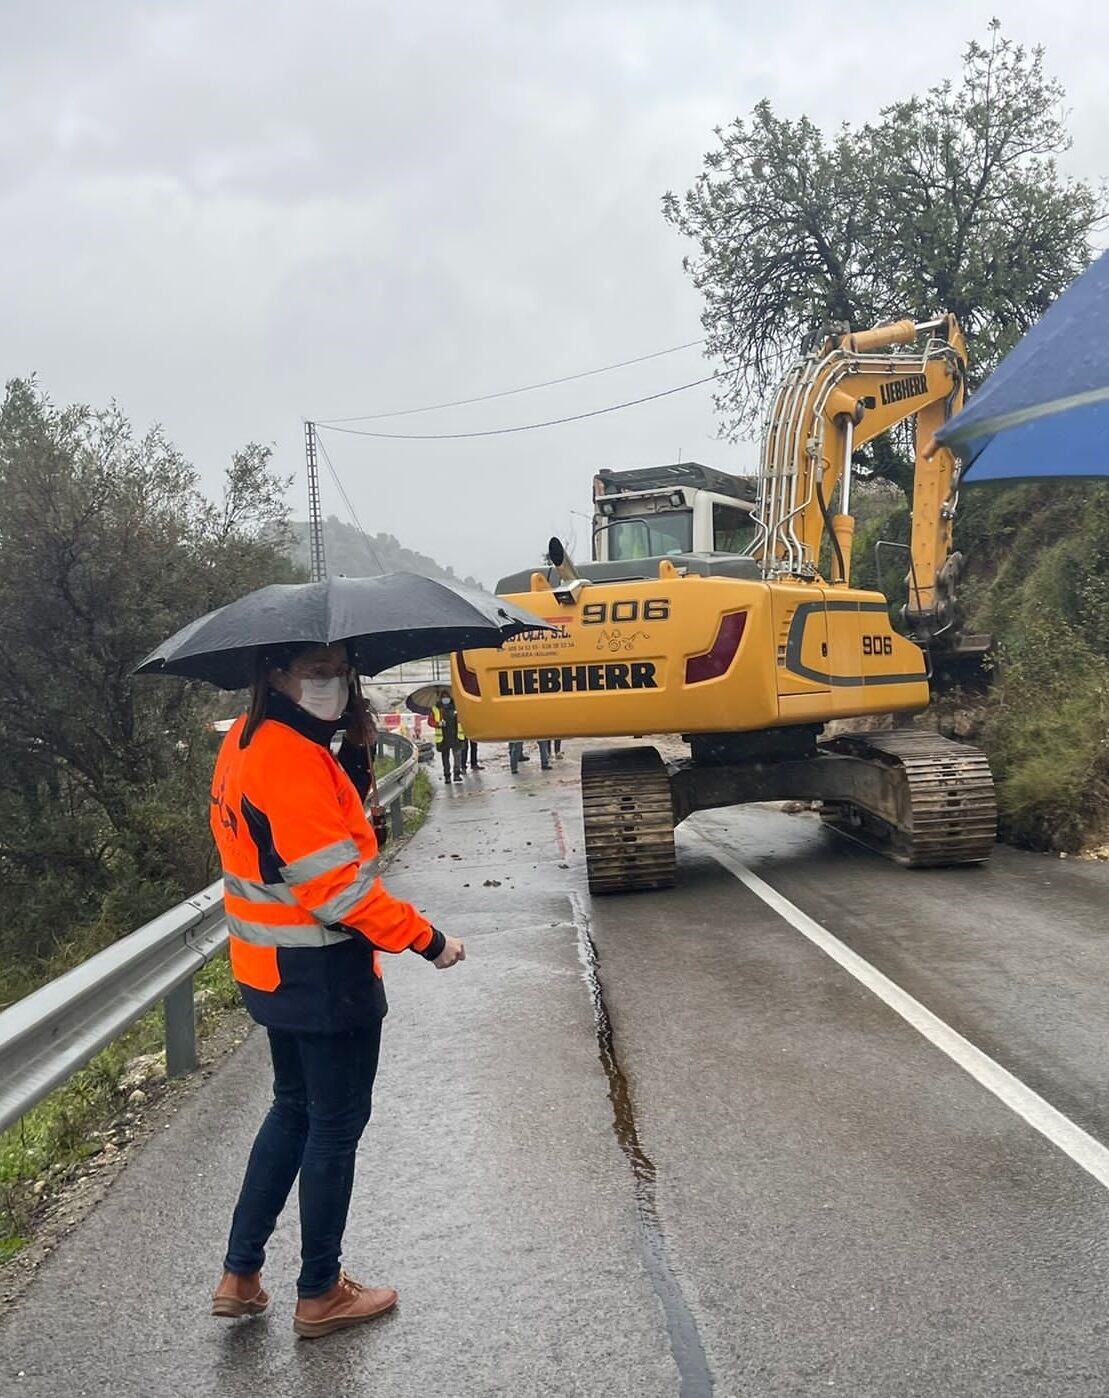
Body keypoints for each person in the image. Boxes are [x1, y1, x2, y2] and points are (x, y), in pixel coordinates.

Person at [208, 641, 465, 1339]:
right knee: (334, 1126)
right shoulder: (289, 759)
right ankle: (320, 1291)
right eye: (314, 671)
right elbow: (336, 890)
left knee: (292, 1110)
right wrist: (428, 939)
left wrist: (347, 752)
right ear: (275, 674)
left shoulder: (246, 741)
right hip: (322, 973)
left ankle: (241, 1273)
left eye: (338, 671)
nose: (329, 684)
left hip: (268, 967)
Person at [430, 693, 464, 782]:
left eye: (447, 697)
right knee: (445, 758)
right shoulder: (436, 709)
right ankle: (447, 776)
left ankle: (457, 774)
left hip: (456, 736)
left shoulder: (457, 707)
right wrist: (438, 724)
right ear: (440, 699)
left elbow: (464, 718)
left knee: (457, 757)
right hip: (443, 738)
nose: (446, 699)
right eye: (444, 698)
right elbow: (430, 721)